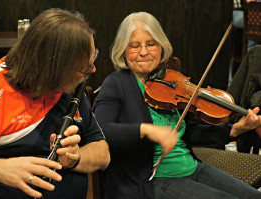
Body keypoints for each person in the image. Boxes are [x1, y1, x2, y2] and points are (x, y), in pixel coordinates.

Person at [92, 12, 261, 199]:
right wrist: (146, 130)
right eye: (134, 45)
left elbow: (191, 132)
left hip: (192, 168)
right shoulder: (115, 84)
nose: (143, 52)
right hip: (150, 179)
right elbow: (100, 130)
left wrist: (234, 130)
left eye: (151, 44)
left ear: (161, 46)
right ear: (123, 50)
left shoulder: (171, 81)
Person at [0, 8, 110, 199]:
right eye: (85, 68)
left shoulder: (69, 87)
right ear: (55, 69)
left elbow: (103, 154)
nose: (93, 70)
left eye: (93, 60)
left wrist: (75, 158)